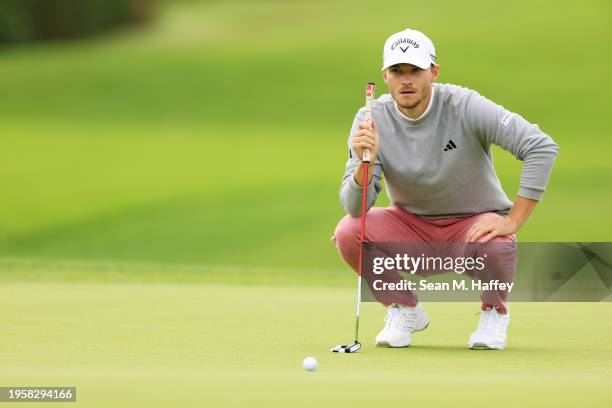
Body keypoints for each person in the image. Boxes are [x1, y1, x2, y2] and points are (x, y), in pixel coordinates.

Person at [332, 28, 559, 350]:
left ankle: (494, 312)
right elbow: (356, 208)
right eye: (397, 71)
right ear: (385, 75)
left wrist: (514, 221)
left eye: (415, 70)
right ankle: (404, 308)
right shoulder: (370, 117)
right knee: (348, 231)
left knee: (498, 244)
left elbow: (540, 146)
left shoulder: (464, 105)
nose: (406, 80)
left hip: (471, 226)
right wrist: (363, 165)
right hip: (412, 225)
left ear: (434, 72)